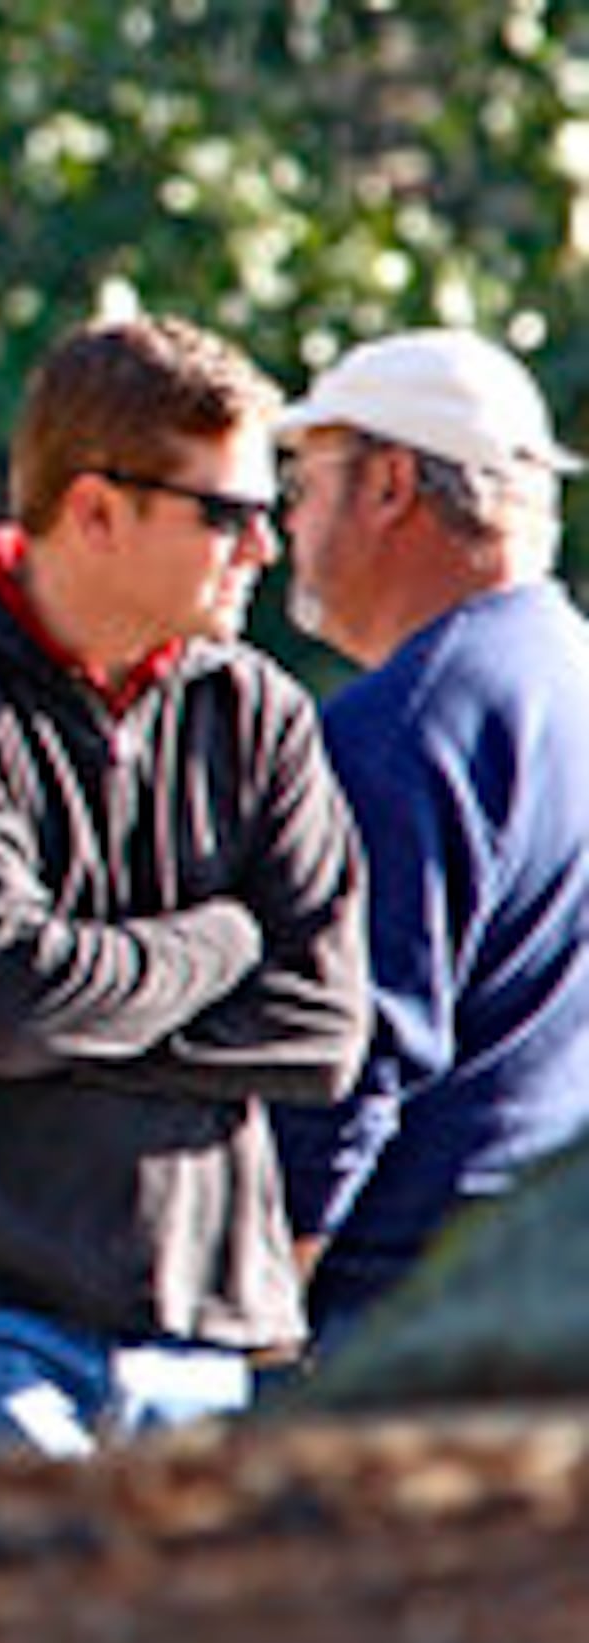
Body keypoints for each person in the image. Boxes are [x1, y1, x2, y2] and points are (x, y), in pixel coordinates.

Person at [0, 315, 369, 1459]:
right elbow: (5, 1005)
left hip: (203, 1334)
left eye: (269, 513)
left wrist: (50, 1006)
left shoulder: (259, 712)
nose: (263, 548)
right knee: (30, 1639)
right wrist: (224, 940)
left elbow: (324, 1030)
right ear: (95, 510)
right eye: (226, 514)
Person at [266, 331, 589, 1357]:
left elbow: (348, 1053)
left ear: (392, 484)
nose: (285, 524)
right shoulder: (565, 680)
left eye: (305, 480)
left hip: (405, 1320)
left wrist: (262, 1310)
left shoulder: (405, 727)